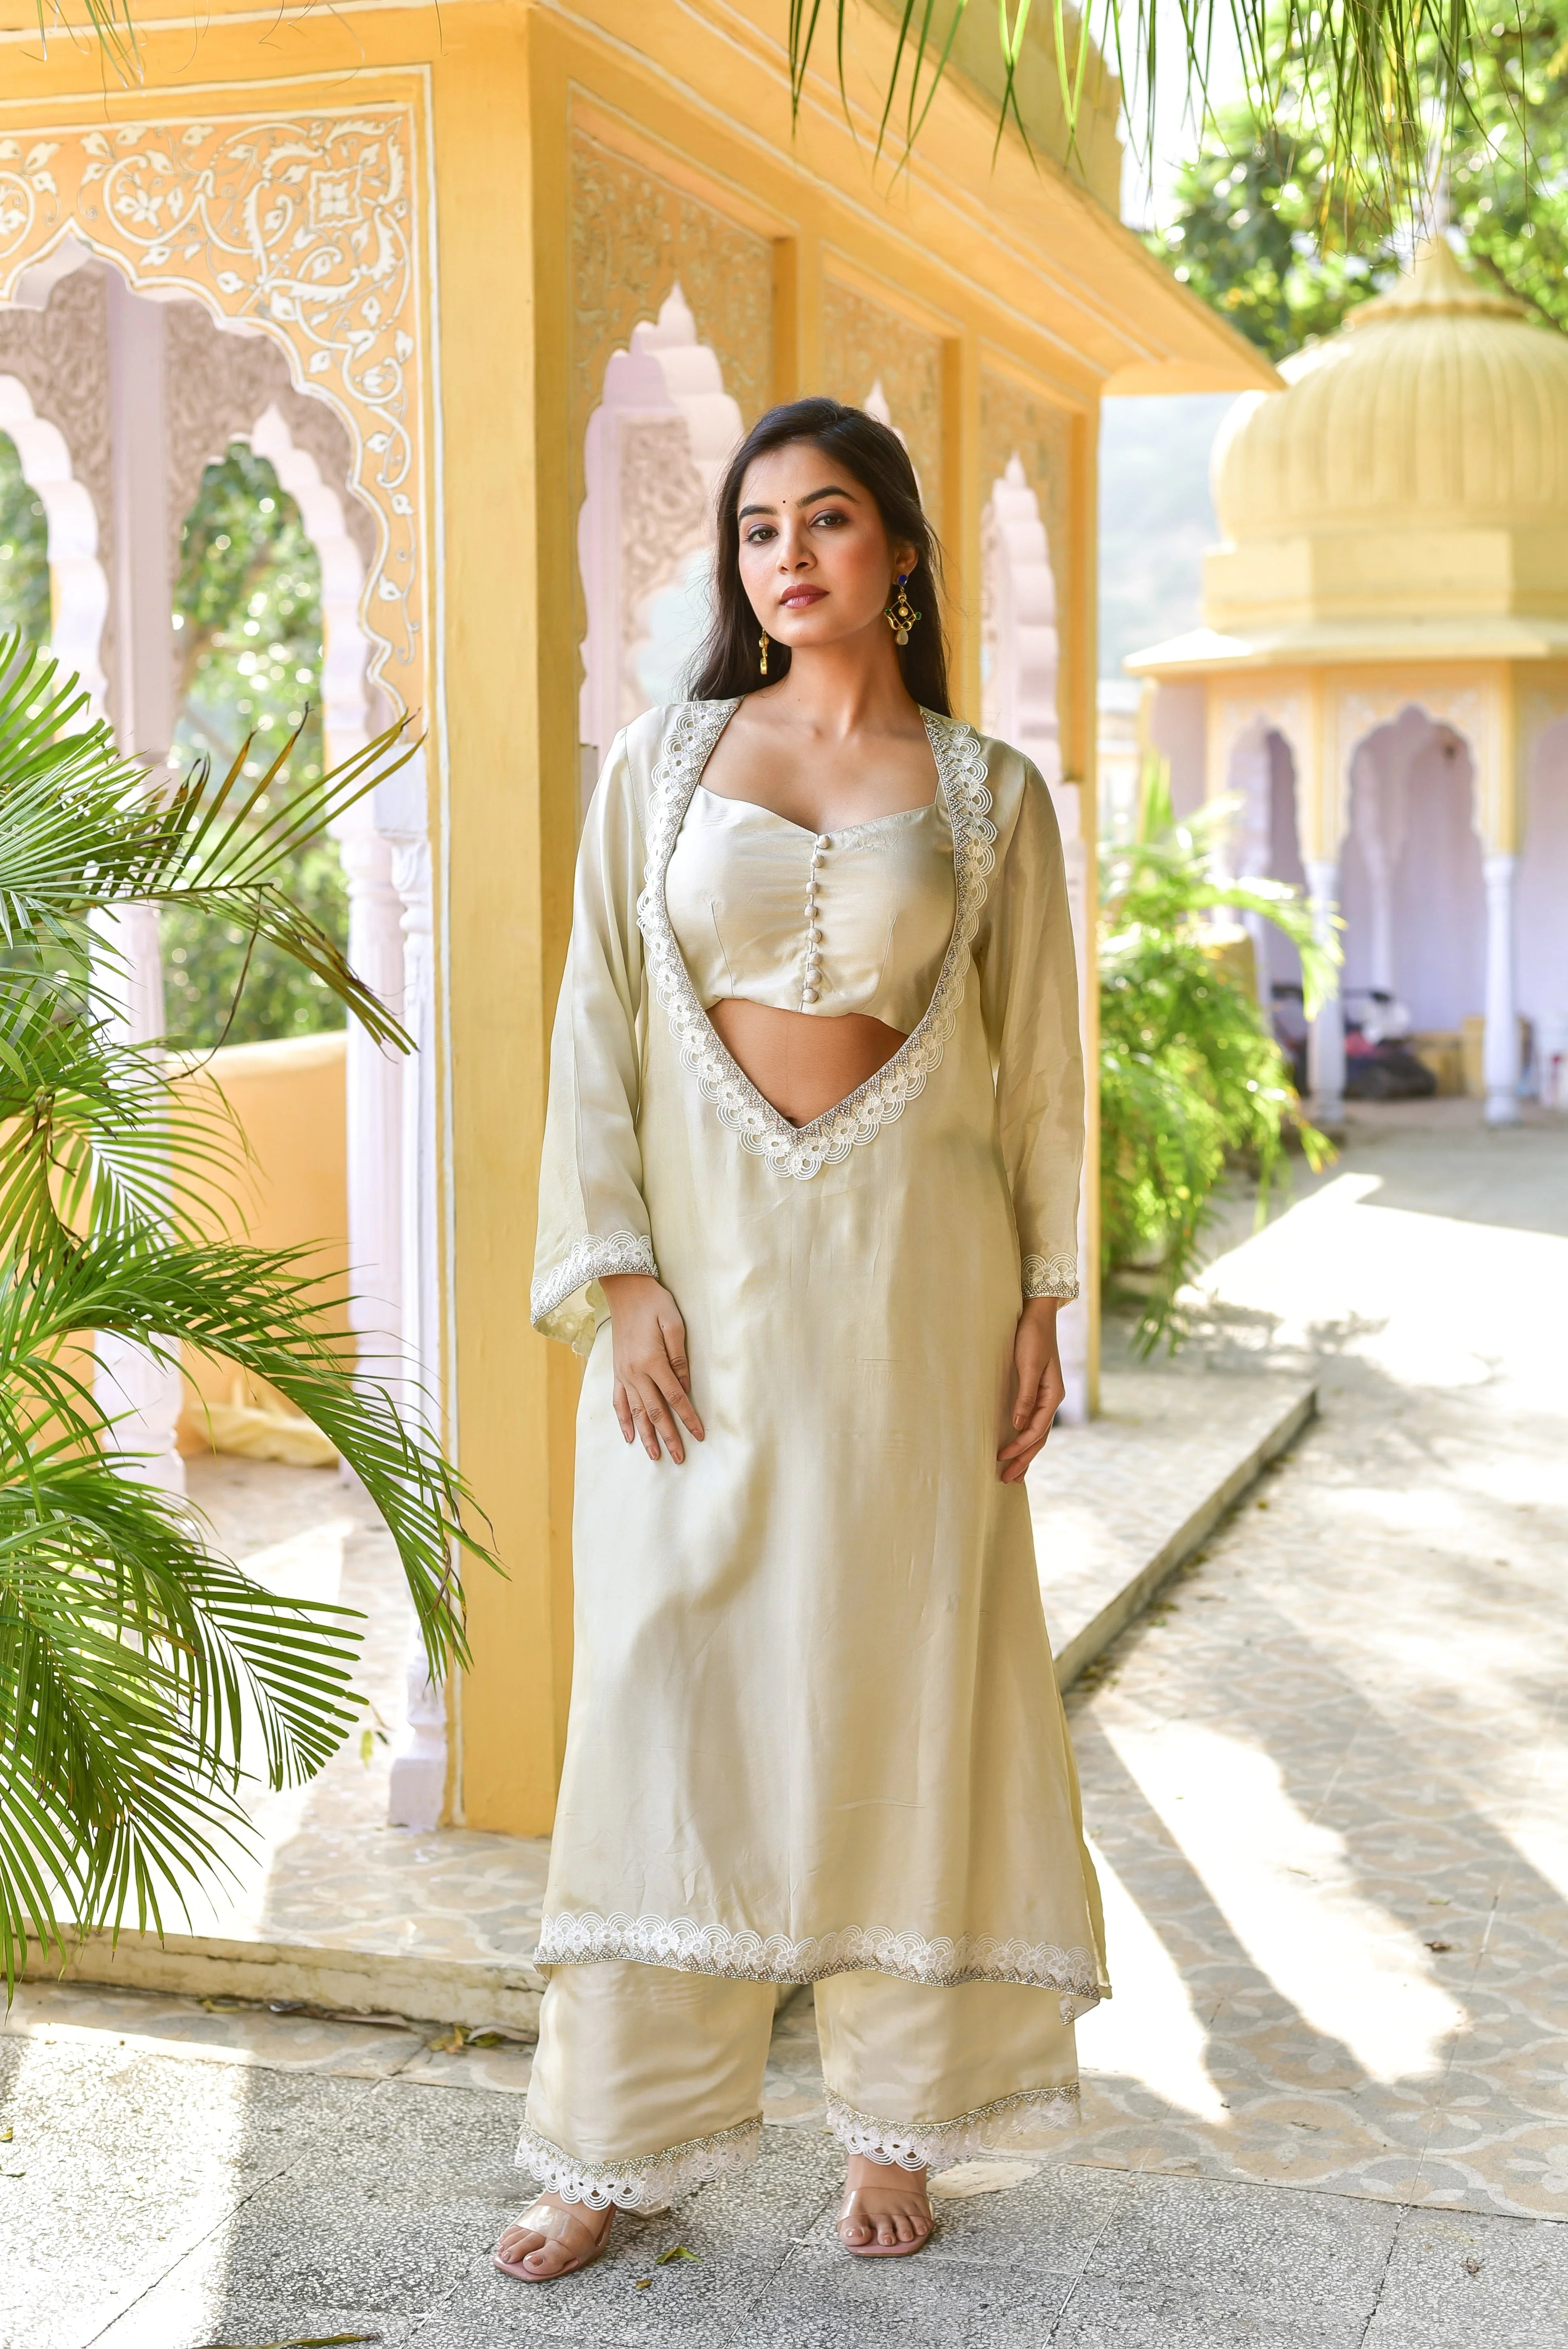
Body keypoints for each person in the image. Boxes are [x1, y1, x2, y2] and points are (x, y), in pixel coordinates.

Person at [499, 397, 1106, 2283]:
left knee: (904, 1678)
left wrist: (1040, 1304)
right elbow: (596, 1022)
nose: (790, 554)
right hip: (704, 1300)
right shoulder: (664, 764)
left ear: (901, 553)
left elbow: (1041, 1080)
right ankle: (615, 2144)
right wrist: (621, 1274)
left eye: (828, 520)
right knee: (667, 1693)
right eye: (759, 528)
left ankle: (893, 2119)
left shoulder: (991, 794)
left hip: (913, 1301)